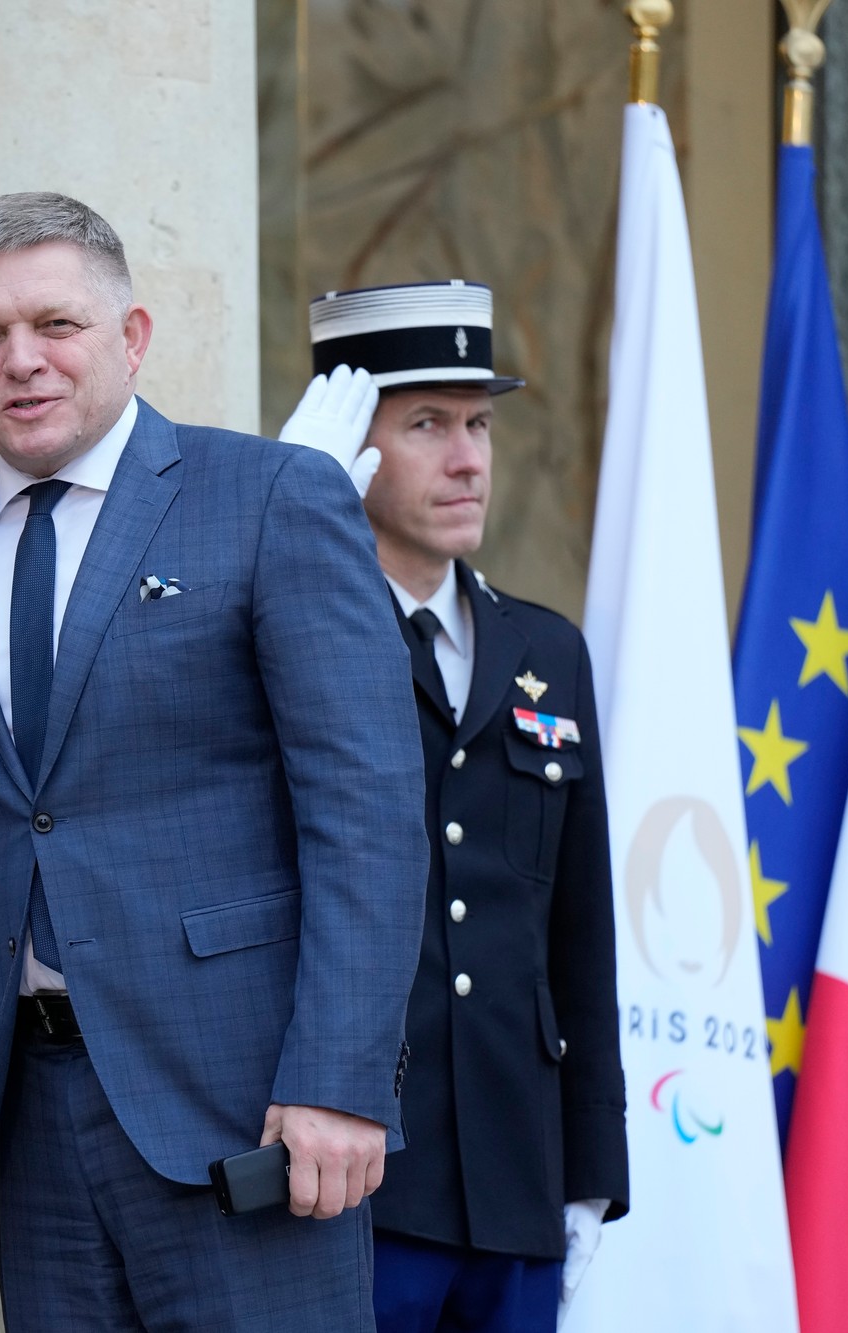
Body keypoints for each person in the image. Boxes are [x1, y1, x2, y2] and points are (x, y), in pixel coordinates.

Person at [0, 192, 427, 1331]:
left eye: (56, 325)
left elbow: (363, 807)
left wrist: (337, 1081)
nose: (21, 361)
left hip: (250, 1106)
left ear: (133, 336)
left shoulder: (267, 497)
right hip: (33, 1119)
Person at [279, 280, 629, 1333]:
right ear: (354, 438)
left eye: (476, 423)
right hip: (357, 1177)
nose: (467, 456)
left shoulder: (543, 650)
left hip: (516, 1177)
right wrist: (288, 515)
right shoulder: (287, 635)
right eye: (424, 423)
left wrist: (589, 1167)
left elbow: (577, 926)